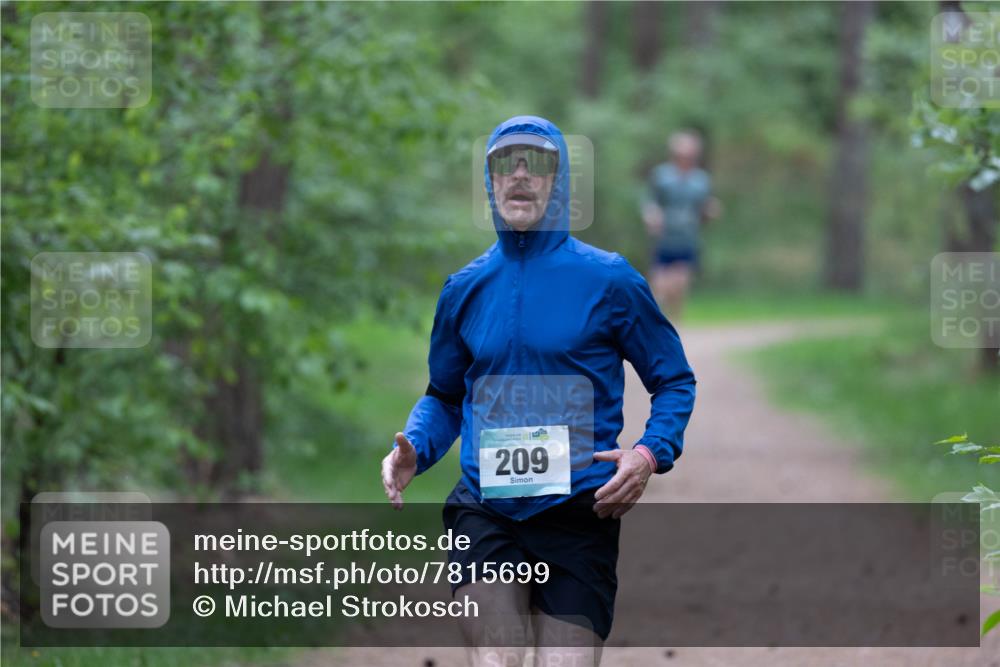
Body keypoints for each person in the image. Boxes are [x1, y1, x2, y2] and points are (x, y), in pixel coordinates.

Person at [381, 116, 696, 667]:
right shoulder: (465, 288)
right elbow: (445, 396)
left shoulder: (611, 281)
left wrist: (648, 454)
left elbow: (673, 381)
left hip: (580, 512)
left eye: (537, 163)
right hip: (487, 510)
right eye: (506, 164)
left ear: (561, 181)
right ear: (490, 182)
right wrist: (416, 446)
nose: (520, 176)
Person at [641, 130, 721, 319]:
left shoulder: (701, 180)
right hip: (664, 238)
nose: (685, 157)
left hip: (687, 238)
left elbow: (704, 209)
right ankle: (658, 323)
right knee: (659, 286)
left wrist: (710, 211)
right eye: (681, 154)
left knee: (680, 285)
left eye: (689, 154)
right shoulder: (661, 175)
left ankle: (676, 326)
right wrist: (651, 215)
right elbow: (650, 201)